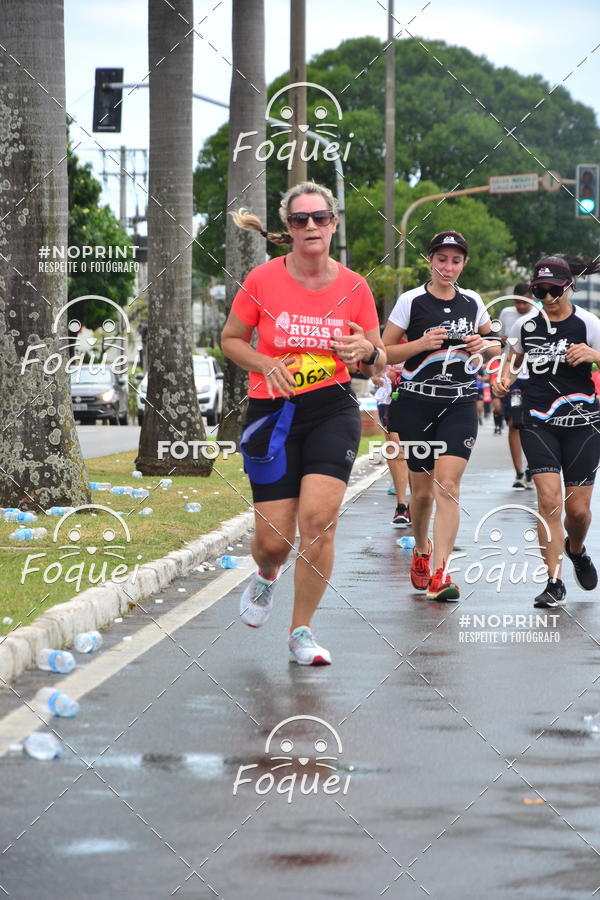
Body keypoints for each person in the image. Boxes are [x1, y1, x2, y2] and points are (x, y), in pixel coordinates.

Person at [221, 181, 385, 665]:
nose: (310, 226)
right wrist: (263, 362)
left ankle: (302, 631)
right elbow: (231, 338)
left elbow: (377, 362)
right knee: (273, 541)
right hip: (271, 414)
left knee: (319, 523)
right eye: (300, 219)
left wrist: (367, 352)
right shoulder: (262, 280)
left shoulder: (355, 286)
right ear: (288, 228)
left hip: (332, 410)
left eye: (319, 218)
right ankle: (267, 575)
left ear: (333, 223)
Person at [383, 231, 498, 601]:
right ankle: (421, 551)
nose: (448, 266)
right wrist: (419, 345)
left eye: (456, 260)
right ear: (430, 260)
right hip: (417, 404)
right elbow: (383, 352)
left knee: (447, 485)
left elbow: (495, 345)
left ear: (464, 264)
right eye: (442, 259)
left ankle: (442, 573)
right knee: (421, 494)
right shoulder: (411, 301)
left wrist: (487, 344)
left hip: (460, 404)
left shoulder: (473, 301)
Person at [494, 254, 600, 608]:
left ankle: (577, 549)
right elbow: (510, 359)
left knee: (579, 512)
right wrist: (503, 378)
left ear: (568, 286)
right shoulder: (525, 326)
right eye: (540, 291)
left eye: (554, 290)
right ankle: (554, 581)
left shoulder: (588, 323)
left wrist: (593, 354)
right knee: (549, 501)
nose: (548, 298)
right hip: (538, 419)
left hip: (582, 421)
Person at [499, 284, 534, 489]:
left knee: (533, 422)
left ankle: (533, 468)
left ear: (531, 298)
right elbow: (499, 342)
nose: (520, 306)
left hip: (534, 376)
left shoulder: (540, 314)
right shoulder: (506, 313)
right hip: (512, 376)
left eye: (524, 302)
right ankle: (519, 473)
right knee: (514, 422)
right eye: (517, 302)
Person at [373, 364, 411, 524]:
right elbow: (373, 373)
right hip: (390, 399)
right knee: (397, 451)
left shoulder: (427, 338)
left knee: (417, 450)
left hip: (419, 397)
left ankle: (417, 500)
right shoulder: (386, 339)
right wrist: (380, 378)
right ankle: (402, 507)